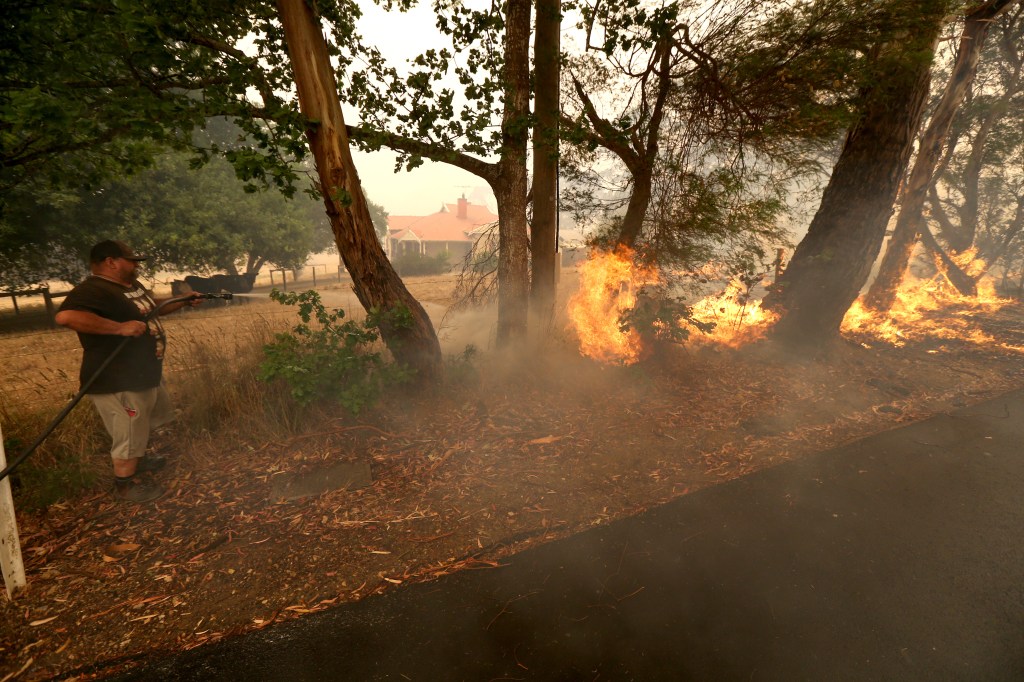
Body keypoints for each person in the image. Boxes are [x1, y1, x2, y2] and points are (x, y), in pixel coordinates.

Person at [55, 240, 202, 503]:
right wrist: (119, 328)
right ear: (111, 262)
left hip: (141, 374)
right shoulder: (93, 290)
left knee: (139, 425)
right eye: (131, 260)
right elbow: (66, 317)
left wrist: (180, 301)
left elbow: (149, 307)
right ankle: (126, 487)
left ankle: (140, 461)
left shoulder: (130, 287)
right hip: (116, 379)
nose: (136, 265)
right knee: (128, 431)